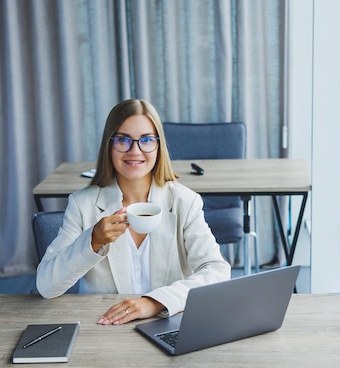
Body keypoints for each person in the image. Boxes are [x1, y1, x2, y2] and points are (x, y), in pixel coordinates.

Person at [36, 99, 231, 326]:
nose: (134, 150)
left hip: (169, 323)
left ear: (158, 147)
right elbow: (46, 286)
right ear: (109, 145)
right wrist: (92, 241)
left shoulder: (184, 202)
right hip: (104, 326)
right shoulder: (83, 204)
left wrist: (155, 302)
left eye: (146, 140)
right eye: (122, 140)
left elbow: (217, 271)